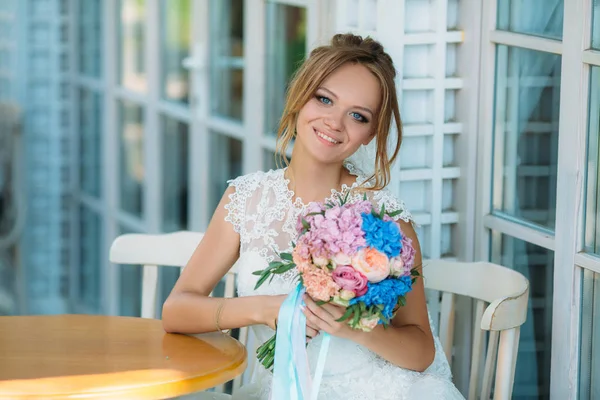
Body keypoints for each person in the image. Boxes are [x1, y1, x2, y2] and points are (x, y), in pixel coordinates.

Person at [162, 33, 465, 400]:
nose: (335, 123)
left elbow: (420, 352)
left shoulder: (385, 218)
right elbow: (177, 310)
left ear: (371, 134)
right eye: (324, 99)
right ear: (299, 97)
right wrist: (265, 309)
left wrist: (355, 327)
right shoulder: (246, 200)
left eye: (357, 115)